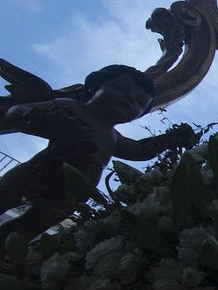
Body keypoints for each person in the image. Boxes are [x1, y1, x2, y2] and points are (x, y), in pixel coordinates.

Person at [0, 65, 194, 242]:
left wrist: (169, 139)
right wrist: (49, 120)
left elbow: (140, 151)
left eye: (140, 102)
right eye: (121, 89)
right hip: (37, 173)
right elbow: (16, 114)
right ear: (94, 88)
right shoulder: (70, 107)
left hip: (66, 197)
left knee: (25, 230)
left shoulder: (113, 137)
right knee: (6, 195)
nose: (130, 100)